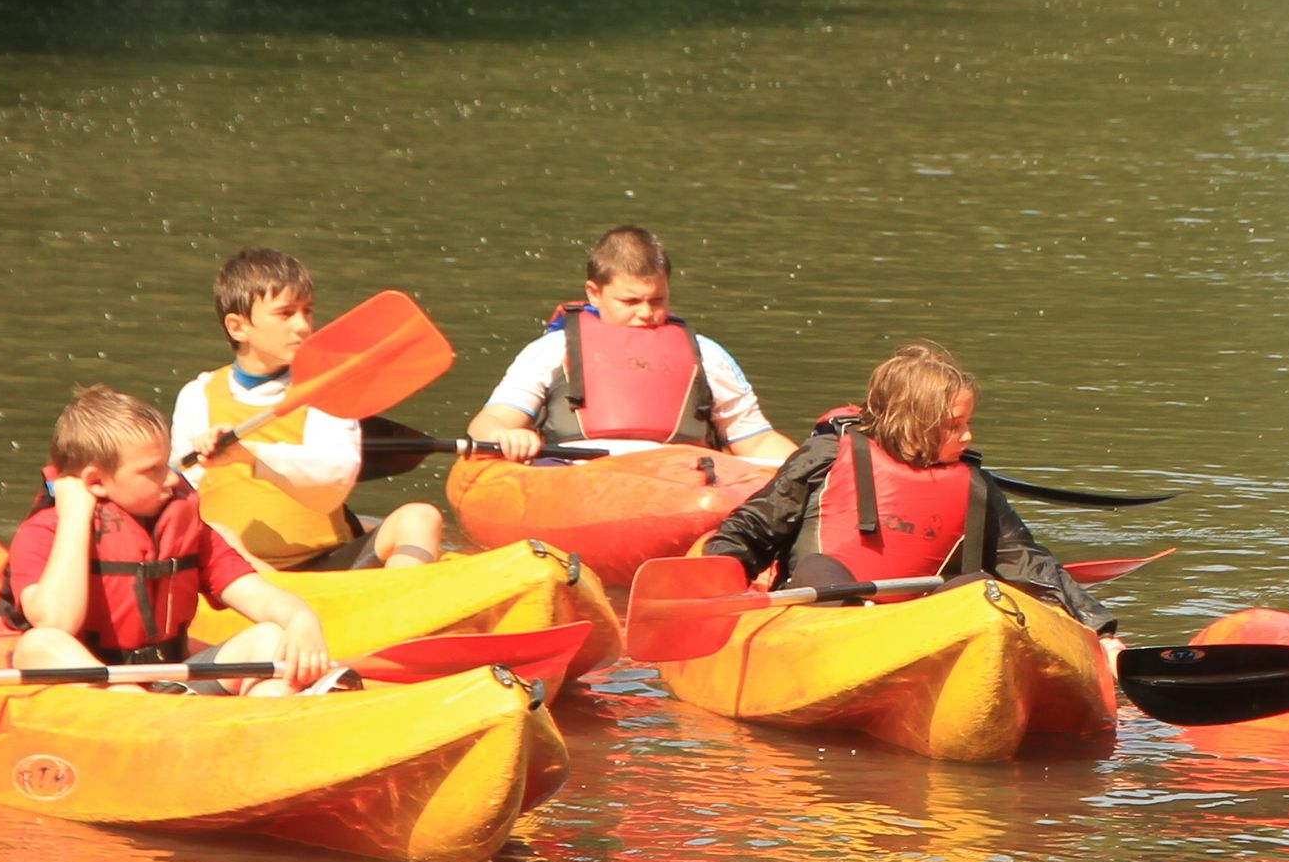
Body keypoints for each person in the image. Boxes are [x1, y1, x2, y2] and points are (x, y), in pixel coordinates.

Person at [692, 341, 1115, 634]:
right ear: (915, 423)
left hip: (919, 632)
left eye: (967, 423)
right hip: (824, 621)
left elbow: (1030, 565)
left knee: (979, 588)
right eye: (954, 426)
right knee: (822, 570)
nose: (967, 437)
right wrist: (712, 582)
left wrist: (1099, 629)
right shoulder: (825, 457)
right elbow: (752, 529)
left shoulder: (975, 486)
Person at [7, 386, 335, 692]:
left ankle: (274, 721)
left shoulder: (184, 527)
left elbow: (258, 595)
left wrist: (301, 619)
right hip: (102, 694)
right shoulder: (44, 532)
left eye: (167, 463)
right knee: (38, 645)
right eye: (152, 470)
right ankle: (135, 707)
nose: (170, 478)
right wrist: (76, 515)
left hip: (173, 680)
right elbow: (56, 622)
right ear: (95, 482)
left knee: (272, 635)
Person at [170, 247, 449, 572]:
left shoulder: (326, 388)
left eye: (307, 311)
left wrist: (252, 456)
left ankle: (398, 608)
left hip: (327, 562)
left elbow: (333, 482)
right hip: (242, 572)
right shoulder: (198, 396)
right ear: (238, 327)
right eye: (286, 314)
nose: (303, 326)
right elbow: (177, 496)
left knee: (421, 517)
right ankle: (273, 599)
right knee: (220, 533)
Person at [464, 227, 795, 466]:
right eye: (630, 301)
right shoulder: (551, 350)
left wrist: (807, 467)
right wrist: (508, 435)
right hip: (574, 475)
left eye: (657, 300)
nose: (646, 313)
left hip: (682, 482)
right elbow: (488, 422)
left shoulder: (707, 355)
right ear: (595, 293)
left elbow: (757, 441)